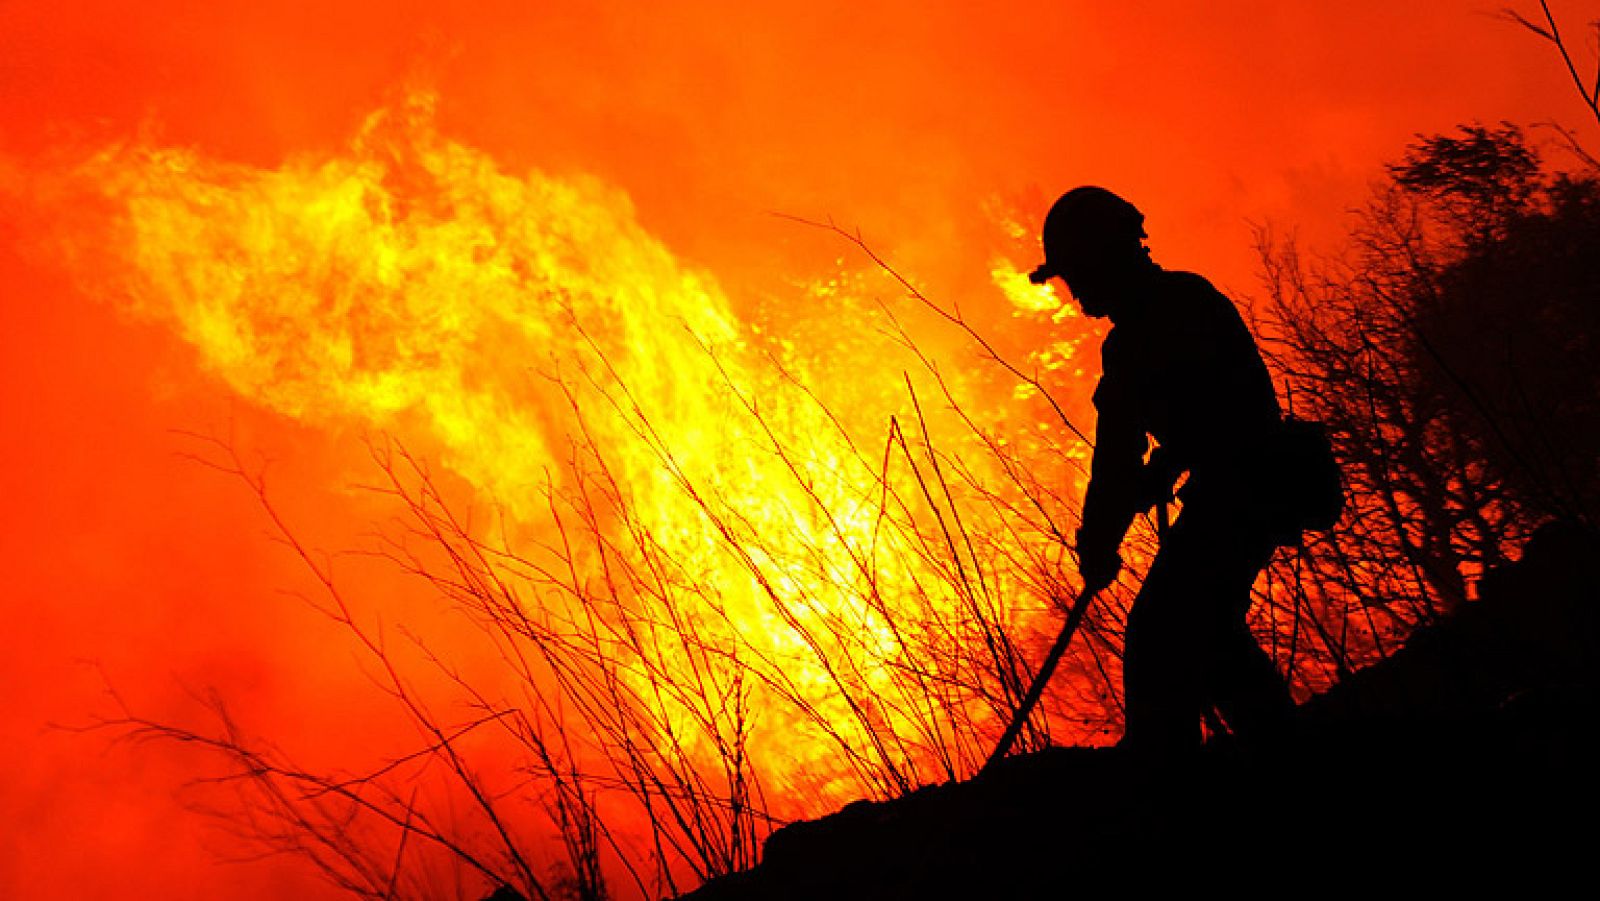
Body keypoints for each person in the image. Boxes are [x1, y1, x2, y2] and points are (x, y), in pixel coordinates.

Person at [1028, 186, 1296, 752]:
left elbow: (1120, 452)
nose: (1074, 292)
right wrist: (1163, 470)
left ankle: (1165, 776)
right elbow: (1147, 440)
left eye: (1077, 273)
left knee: (1161, 632)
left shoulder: (1157, 323)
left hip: (1243, 490)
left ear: (1106, 257)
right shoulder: (1176, 306)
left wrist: (1102, 537)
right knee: (1210, 634)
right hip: (1241, 487)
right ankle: (1282, 755)